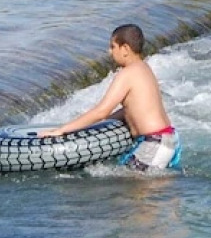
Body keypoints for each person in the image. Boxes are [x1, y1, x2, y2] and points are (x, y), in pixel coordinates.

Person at [37, 24, 181, 172]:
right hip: (167, 138)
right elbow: (132, 109)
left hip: (154, 143)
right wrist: (105, 123)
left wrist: (62, 130)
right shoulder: (144, 68)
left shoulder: (127, 74)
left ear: (125, 49)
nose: (110, 52)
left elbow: (102, 111)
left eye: (113, 47)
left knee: (132, 191)